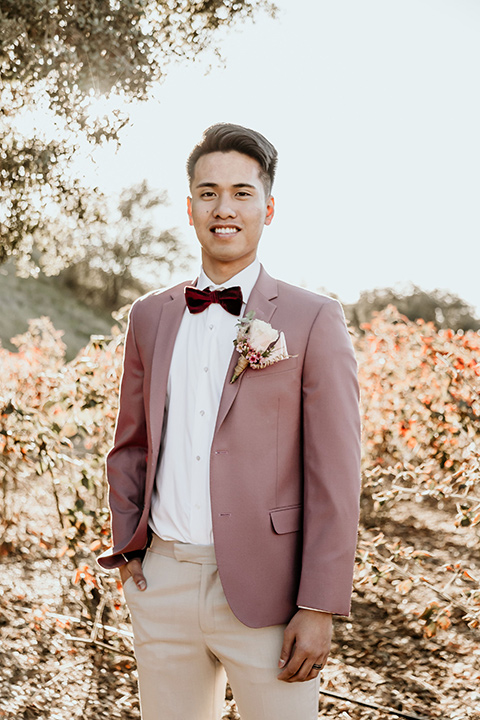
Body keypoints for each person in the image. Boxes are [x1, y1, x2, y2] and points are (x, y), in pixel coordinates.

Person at [98, 123, 361, 720]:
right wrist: (130, 549)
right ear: (189, 207)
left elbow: (336, 474)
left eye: (243, 193)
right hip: (162, 583)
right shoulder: (149, 316)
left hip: (273, 595)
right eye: (209, 191)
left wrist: (319, 605)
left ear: (268, 209)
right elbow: (131, 444)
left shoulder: (313, 318)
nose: (225, 207)